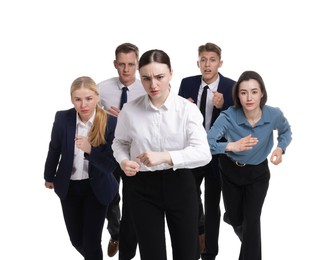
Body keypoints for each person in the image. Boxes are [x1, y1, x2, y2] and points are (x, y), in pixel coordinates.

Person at [112, 49, 212, 260]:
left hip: (181, 183)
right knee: (151, 254)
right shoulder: (130, 110)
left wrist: (166, 156)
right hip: (141, 188)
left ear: (171, 74)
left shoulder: (187, 110)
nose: (153, 85)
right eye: (146, 78)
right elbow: (120, 142)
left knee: (187, 253)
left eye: (159, 77)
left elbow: (203, 153)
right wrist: (123, 161)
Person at [207, 70, 292, 260]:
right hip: (230, 172)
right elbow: (207, 142)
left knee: (252, 223)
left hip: (258, 174)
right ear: (238, 95)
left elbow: (286, 131)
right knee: (238, 219)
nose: (249, 97)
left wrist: (280, 148)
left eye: (254, 91)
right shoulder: (229, 116)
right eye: (243, 92)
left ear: (262, 93)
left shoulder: (274, 114)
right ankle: (233, 217)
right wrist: (231, 146)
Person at [44, 76, 119, 260]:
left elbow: (110, 165)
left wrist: (89, 150)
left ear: (97, 97)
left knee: (91, 243)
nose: (83, 104)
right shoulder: (62, 118)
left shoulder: (110, 123)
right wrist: (49, 175)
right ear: (72, 99)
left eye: (88, 98)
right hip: (69, 187)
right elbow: (54, 148)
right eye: (78, 99)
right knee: (76, 240)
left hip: (97, 188)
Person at [178, 42, 235, 260]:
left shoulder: (231, 86)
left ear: (219, 63)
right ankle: (198, 233)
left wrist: (223, 106)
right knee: (189, 197)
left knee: (213, 203)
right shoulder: (187, 83)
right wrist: (185, 108)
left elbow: (238, 122)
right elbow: (176, 118)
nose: (207, 64)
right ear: (198, 62)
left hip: (217, 154)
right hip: (192, 150)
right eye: (203, 59)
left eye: (212, 60)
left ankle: (210, 252)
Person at [98, 42, 146, 259]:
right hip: (108, 151)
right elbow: (88, 117)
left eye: (131, 64)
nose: (126, 70)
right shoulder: (101, 88)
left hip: (134, 152)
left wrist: (127, 116)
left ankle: (128, 246)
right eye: (121, 64)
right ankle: (115, 233)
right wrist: (106, 117)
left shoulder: (146, 87)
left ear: (137, 64)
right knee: (109, 197)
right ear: (115, 64)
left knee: (132, 200)